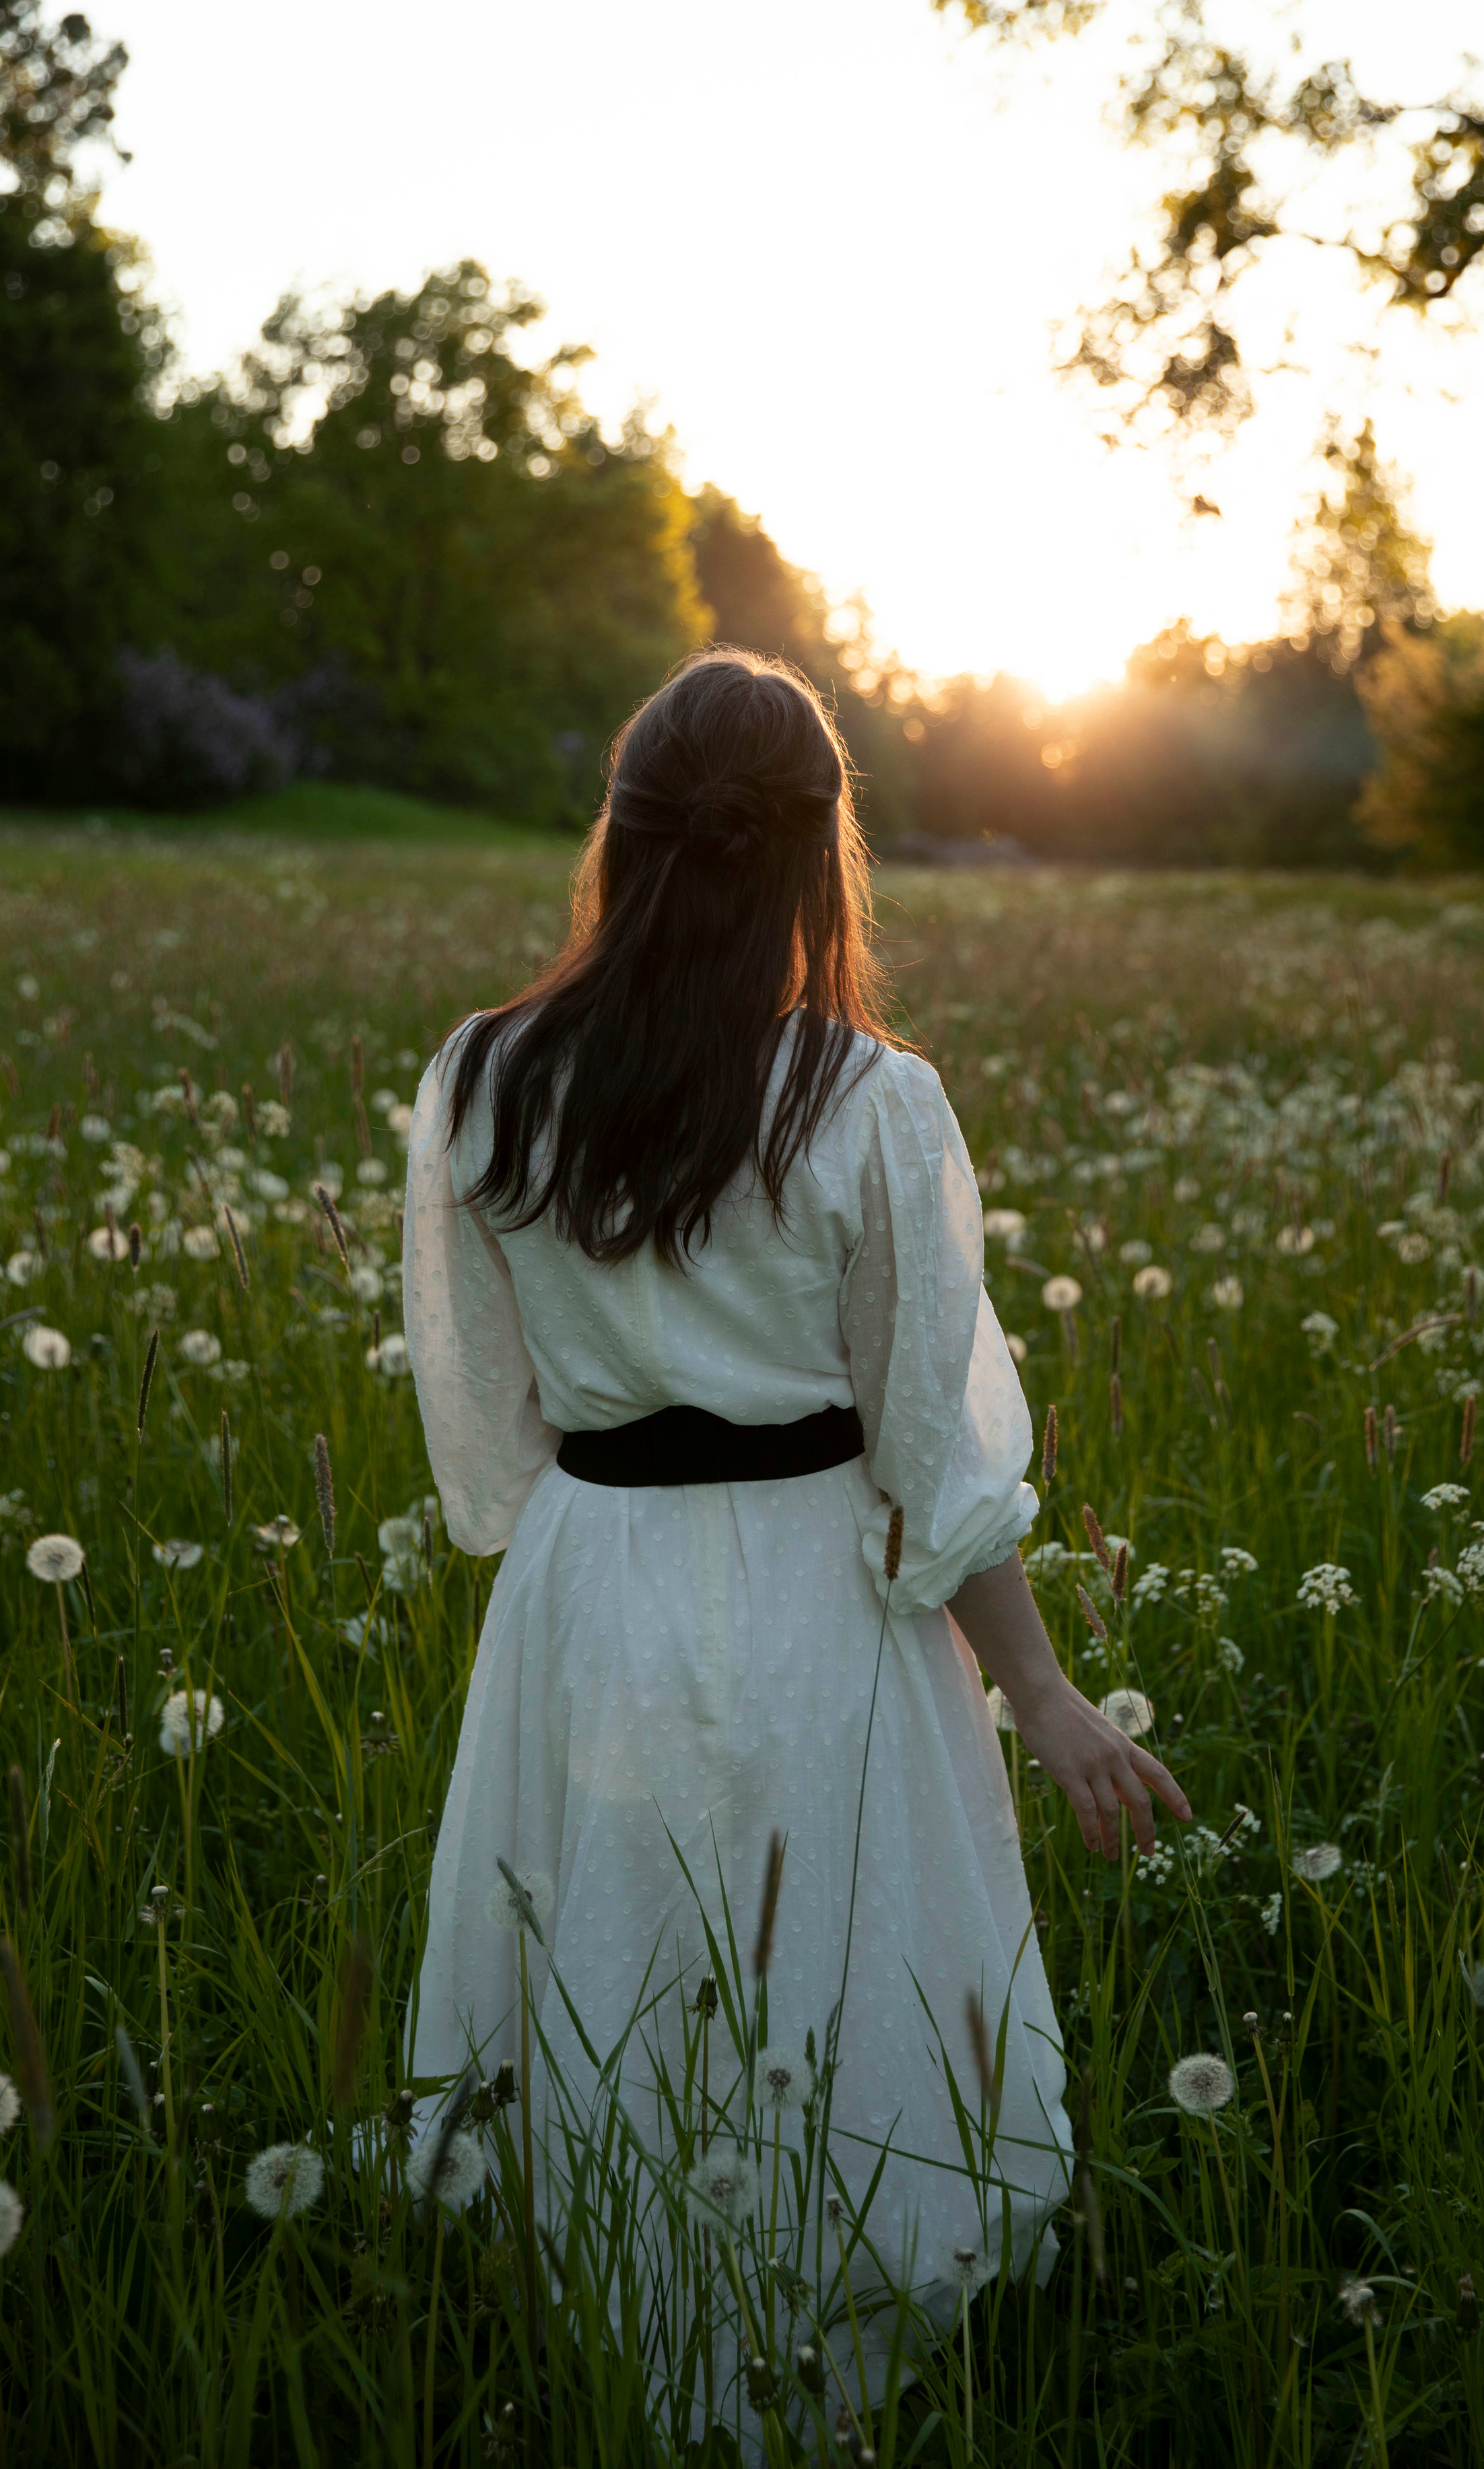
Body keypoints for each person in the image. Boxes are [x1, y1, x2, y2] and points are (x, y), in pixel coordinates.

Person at [400, 647, 1188, 2445]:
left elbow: (490, 1430)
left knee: (616, 1953)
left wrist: (603, 1501)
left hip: (590, 1584)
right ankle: (820, 2348)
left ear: (619, 838)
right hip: (828, 1597)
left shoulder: (485, 1080)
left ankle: (622, 2324)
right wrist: (1041, 1691)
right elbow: (931, 1451)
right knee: (834, 1964)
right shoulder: (869, 1102)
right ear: (823, 856)